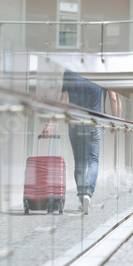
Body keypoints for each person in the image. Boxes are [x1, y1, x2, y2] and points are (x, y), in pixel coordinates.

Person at [42, 70, 108, 215]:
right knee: (93, 160)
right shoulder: (100, 72)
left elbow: (63, 99)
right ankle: (88, 194)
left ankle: (81, 196)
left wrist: (50, 123)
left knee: (79, 161)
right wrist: (114, 122)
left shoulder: (69, 72)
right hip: (94, 123)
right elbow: (114, 99)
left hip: (75, 122)